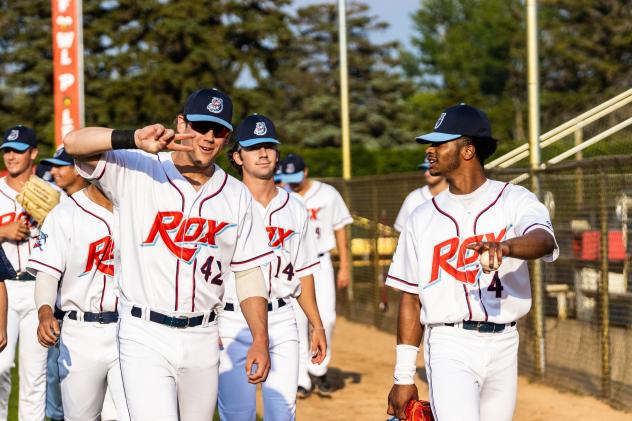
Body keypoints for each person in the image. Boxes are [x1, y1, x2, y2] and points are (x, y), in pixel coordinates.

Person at [63, 88, 274, 420]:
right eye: (201, 126)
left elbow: (248, 273)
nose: (207, 137)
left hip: (204, 336)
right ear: (181, 123)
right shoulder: (137, 168)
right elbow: (73, 142)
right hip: (145, 333)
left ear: (227, 136)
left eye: (218, 130)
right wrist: (131, 138)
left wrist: (260, 338)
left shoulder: (236, 195)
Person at [385, 104, 559, 421]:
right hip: (450, 341)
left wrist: (505, 247)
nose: (431, 150)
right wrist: (403, 376)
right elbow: (410, 296)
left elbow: (544, 239)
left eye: (440, 143)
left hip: (505, 341)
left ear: (468, 150)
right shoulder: (420, 217)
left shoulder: (514, 199)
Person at [219, 114, 327, 420]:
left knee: (283, 412)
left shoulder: (295, 207)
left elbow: (304, 270)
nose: (263, 153)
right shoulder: (223, 202)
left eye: (268, 145)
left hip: (282, 317)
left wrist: (316, 324)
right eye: (253, 147)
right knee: (237, 414)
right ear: (237, 156)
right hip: (231, 321)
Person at [27, 147, 122, 421]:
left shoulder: (136, 208)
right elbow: (47, 273)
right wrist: (45, 310)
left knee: (129, 414)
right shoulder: (65, 214)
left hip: (130, 328)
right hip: (81, 330)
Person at [279, 153, 352, 398]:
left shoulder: (328, 193)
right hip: (293, 265)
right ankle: (302, 378)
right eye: (288, 177)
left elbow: (341, 230)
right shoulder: (282, 194)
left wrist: (345, 266)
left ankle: (319, 369)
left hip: (321, 260)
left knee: (327, 318)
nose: (293, 181)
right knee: (298, 321)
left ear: (306, 171)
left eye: (296, 176)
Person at [0, 125, 48, 421]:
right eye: (7, 150)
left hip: (38, 287)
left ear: (33, 153)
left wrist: (52, 223)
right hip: (3, 288)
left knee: (34, 374)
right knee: (1, 367)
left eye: (18, 150)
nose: (11, 156)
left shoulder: (51, 193)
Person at [393, 158, 447, 233]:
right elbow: (401, 233)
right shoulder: (413, 198)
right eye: (425, 169)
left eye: (432, 168)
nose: (426, 173)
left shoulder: (460, 195)